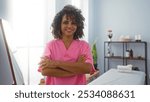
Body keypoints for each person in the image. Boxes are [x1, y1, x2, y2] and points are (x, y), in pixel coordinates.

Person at [38, 5, 95, 85]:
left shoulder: (84, 45)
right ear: (59, 24)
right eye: (65, 22)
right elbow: (45, 71)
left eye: (73, 23)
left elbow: (87, 69)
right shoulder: (50, 45)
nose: (69, 26)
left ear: (78, 25)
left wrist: (55, 63)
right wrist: (77, 67)